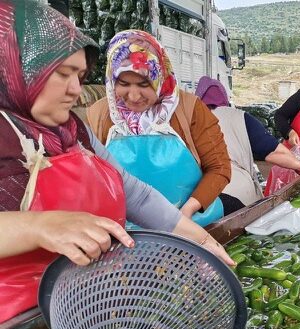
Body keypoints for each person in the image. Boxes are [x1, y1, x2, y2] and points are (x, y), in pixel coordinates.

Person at [0, 0, 233, 324]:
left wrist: (198, 238)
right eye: (62, 73)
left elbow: (135, 195)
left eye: (80, 75)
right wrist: (40, 227)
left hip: (93, 309)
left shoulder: (73, 130)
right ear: (14, 65)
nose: (75, 89)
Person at [87, 30, 232, 220]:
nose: (133, 96)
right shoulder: (101, 114)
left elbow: (219, 168)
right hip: (126, 230)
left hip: (192, 223)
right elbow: (90, 175)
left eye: (144, 84)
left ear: (159, 78)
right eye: (123, 83)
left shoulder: (189, 109)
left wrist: (187, 212)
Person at [194, 76, 300, 211]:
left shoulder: (190, 119)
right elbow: (273, 152)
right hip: (236, 195)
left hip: (199, 197)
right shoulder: (238, 117)